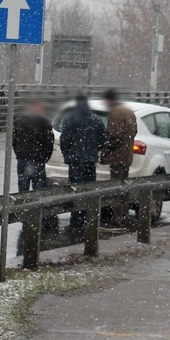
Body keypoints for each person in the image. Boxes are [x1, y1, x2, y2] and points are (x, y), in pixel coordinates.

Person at [60, 93, 107, 236]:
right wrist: (93, 151)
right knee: (88, 190)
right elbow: (102, 139)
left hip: (75, 161)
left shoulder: (70, 119)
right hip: (90, 161)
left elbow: (64, 139)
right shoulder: (95, 119)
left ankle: (76, 220)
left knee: (76, 190)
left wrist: (68, 153)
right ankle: (88, 218)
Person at [12, 98, 58, 233]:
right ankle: (38, 215)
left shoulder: (20, 120)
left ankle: (24, 214)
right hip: (37, 160)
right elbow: (49, 141)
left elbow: (14, 140)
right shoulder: (43, 121)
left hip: (24, 158)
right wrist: (45, 157)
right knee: (39, 188)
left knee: (23, 187)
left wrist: (20, 154)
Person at [101, 89, 137, 225]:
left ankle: (117, 218)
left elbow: (114, 135)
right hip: (127, 156)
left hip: (117, 156)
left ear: (109, 100)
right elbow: (134, 132)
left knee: (116, 187)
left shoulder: (115, 113)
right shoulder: (129, 112)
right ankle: (124, 213)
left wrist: (105, 148)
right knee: (124, 187)